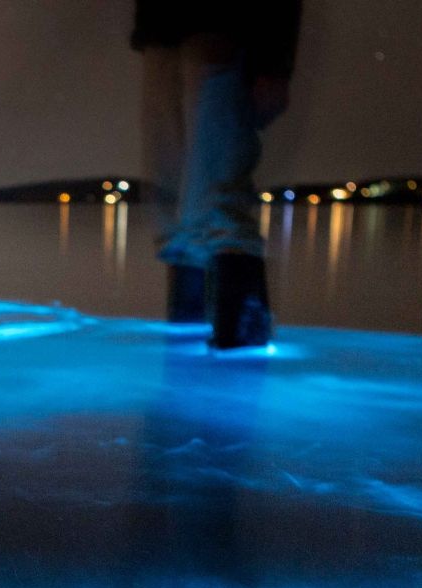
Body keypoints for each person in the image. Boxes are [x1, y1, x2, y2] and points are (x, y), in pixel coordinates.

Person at [133, 1, 303, 350]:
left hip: (226, 22)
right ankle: (190, 336)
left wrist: (276, 63)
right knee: (170, 197)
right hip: (161, 29)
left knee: (218, 189)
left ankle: (240, 338)